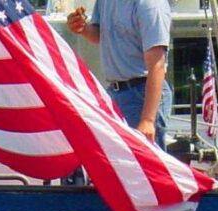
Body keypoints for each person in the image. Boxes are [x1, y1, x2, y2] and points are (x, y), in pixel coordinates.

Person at [67, 0, 173, 150]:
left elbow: (157, 65)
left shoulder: (150, 4)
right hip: (114, 93)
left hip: (142, 95)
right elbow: (99, 34)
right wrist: (83, 28)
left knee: (143, 162)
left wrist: (148, 120)